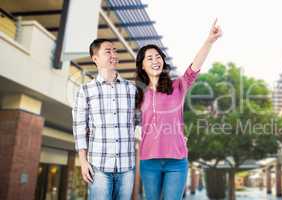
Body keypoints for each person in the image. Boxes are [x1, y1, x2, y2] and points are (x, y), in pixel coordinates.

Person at [135, 19, 222, 200]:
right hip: (148, 161)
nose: (155, 60)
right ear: (142, 65)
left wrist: (209, 41)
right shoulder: (137, 93)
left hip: (177, 161)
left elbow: (194, 68)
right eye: (149, 58)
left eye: (158, 56)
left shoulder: (177, 87)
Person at [72, 39, 138, 200]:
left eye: (115, 51)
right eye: (108, 51)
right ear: (95, 58)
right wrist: (83, 161)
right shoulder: (85, 90)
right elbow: (79, 127)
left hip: (127, 166)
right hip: (99, 166)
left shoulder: (131, 89)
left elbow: (140, 123)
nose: (114, 54)